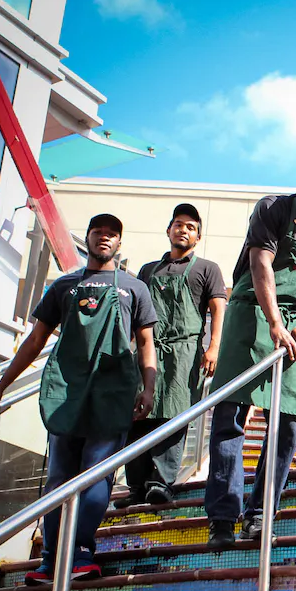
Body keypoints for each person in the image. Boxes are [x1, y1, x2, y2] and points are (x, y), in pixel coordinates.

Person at [0, 214, 157, 584]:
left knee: (95, 476)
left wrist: (148, 388)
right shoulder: (64, 286)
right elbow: (36, 340)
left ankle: (81, 554)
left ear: (119, 243)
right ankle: (50, 560)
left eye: (112, 234)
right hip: (67, 394)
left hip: (112, 394)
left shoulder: (135, 289)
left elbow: (146, 344)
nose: (104, 238)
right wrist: (1, 387)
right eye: (98, 232)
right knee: (58, 479)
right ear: (88, 238)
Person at [205, 155, 296, 548]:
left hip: (292, 324)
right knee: (231, 414)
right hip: (251, 312)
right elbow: (260, 262)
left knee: (290, 418)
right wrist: (273, 322)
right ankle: (222, 517)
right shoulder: (271, 208)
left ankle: (259, 512)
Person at [114, 204, 227, 508]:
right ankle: (136, 486)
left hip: (185, 351)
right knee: (138, 414)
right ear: (168, 230)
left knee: (174, 415)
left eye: (190, 227)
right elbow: (134, 310)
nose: (183, 230)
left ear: (197, 236)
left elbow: (218, 308)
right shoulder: (148, 270)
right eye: (178, 224)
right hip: (147, 348)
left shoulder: (207, 269)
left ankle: (161, 482)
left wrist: (214, 345)